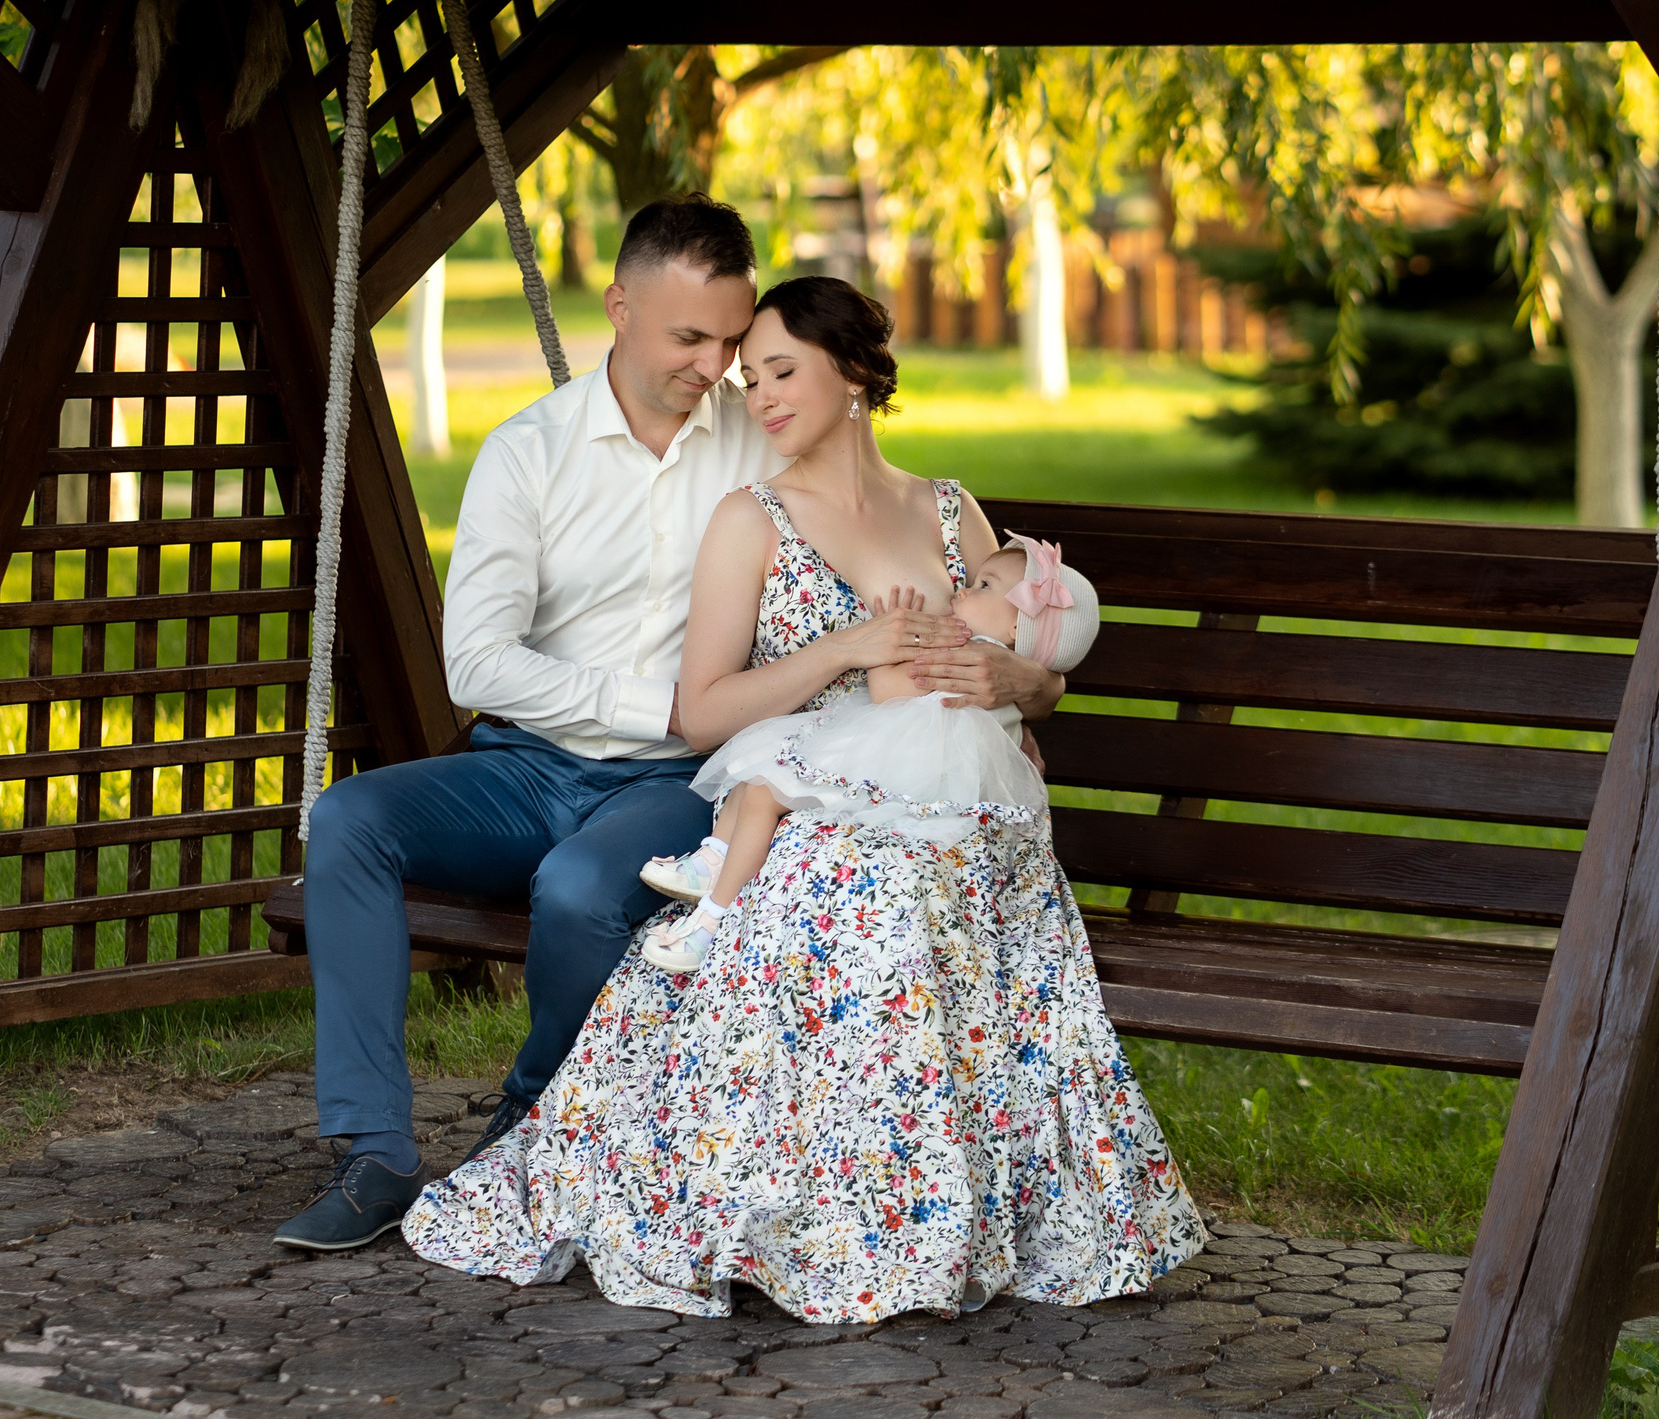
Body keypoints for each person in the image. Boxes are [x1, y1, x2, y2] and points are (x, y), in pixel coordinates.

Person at [402, 277, 1205, 1321]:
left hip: (962, 817)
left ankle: (915, 1214)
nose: (761, 397)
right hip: (812, 810)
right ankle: (810, 1220)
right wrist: (845, 647)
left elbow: (1023, 661)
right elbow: (702, 714)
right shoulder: (753, 519)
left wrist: (1026, 682)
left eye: (782, 372)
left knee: (927, 892)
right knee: (859, 911)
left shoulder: (950, 510)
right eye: (751, 377)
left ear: (857, 376)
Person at [273, 203, 1005, 1252]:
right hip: (525, 767)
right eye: (689, 340)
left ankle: (529, 1126)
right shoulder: (529, 451)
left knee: (575, 892)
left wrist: (991, 635)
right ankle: (374, 1154)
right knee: (350, 819)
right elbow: (475, 660)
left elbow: (866, 506)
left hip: (681, 780)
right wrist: (651, 703)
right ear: (619, 309)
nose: (718, 367)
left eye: (732, 341)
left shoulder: (760, 439)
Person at [637, 534, 1101, 972]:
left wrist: (886, 642)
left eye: (983, 586)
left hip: (903, 776)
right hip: (919, 775)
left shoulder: (973, 654)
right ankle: (714, 858)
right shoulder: (1002, 673)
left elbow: (888, 692)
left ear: (1018, 624)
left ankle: (713, 918)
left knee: (763, 787)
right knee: (775, 757)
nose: (961, 590)